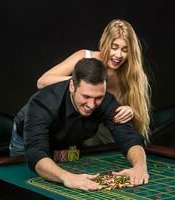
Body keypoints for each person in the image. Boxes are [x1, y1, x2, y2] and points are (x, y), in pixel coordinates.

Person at [10, 58, 149, 191]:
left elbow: (128, 137)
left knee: (71, 173)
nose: (91, 105)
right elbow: (36, 153)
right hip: (25, 141)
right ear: (72, 86)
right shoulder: (43, 103)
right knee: (22, 186)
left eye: (98, 98)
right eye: (86, 96)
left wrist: (140, 166)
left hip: (67, 141)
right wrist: (67, 177)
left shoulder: (105, 100)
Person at [37, 19, 151, 146]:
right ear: (105, 44)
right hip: (76, 135)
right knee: (62, 157)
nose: (118, 55)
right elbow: (42, 82)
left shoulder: (132, 74)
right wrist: (82, 82)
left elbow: (139, 122)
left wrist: (131, 111)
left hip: (109, 141)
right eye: (114, 47)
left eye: (125, 50)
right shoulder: (85, 57)